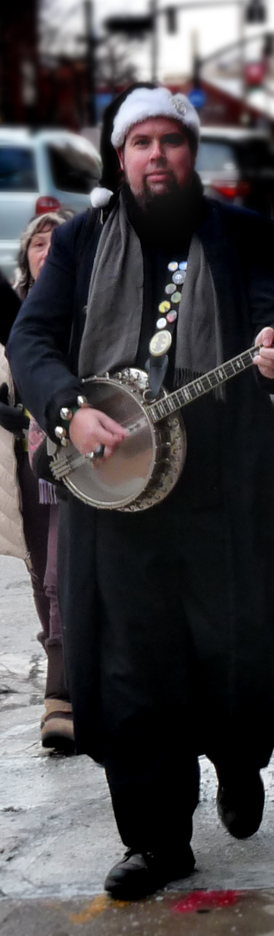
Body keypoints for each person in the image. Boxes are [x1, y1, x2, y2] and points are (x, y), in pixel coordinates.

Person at [7, 84, 274, 901]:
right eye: (139, 141)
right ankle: (156, 839)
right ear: (118, 155)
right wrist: (69, 411)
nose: (155, 155)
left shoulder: (242, 234)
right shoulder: (77, 243)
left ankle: (240, 762)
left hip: (224, 490)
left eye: (170, 140)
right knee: (135, 671)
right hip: (117, 499)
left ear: (192, 151)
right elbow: (31, 336)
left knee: (234, 650)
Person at [8, 210, 76, 752]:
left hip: (78, 454)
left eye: (60, 241)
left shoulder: (85, 304)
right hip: (23, 460)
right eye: (39, 243)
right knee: (40, 569)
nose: (48, 249)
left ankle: (61, 695)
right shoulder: (17, 310)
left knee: (60, 571)